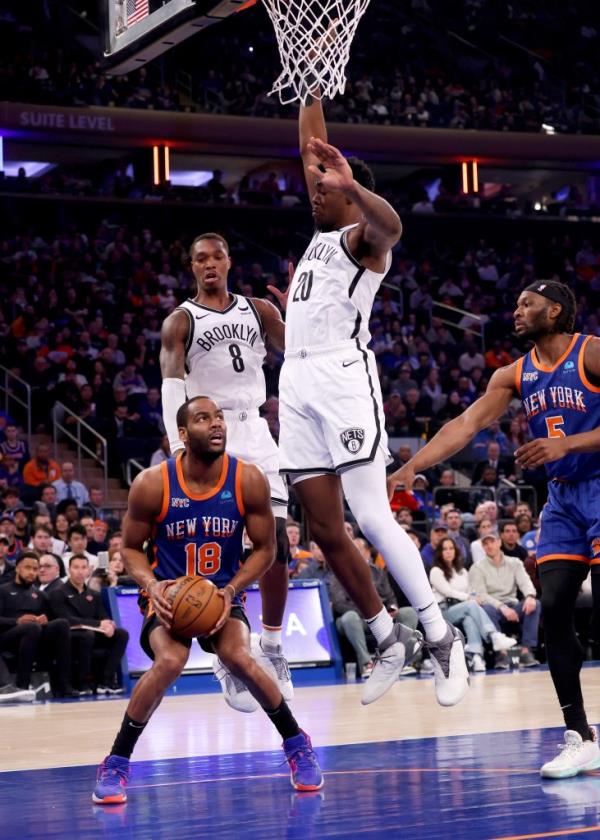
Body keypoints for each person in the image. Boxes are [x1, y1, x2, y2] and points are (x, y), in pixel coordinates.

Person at [266, 87, 468, 708]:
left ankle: (440, 633)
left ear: (348, 195)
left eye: (323, 188)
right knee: (324, 529)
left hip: (343, 380)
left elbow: (394, 225)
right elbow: (310, 151)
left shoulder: (362, 238)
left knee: (371, 514)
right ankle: (387, 636)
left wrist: (350, 185)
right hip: (295, 381)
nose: (313, 191)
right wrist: (306, 87)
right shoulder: (322, 233)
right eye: (318, 184)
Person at [388, 280, 600, 777]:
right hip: (564, 501)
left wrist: (567, 445)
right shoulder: (513, 374)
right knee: (552, 610)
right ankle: (580, 735)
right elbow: (465, 424)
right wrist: (410, 466)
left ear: (556, 310)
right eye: (516, 302)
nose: (516, 310)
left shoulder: (590, 353)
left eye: (527, 303)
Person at [92, 396, 322, 804]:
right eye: (203, 418)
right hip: (168, 595)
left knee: (240, 657)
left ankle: (296, 743)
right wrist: (152, 586)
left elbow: (267, 550)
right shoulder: (153, 483)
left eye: (219, 417)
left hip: (221, 593)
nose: (216, 424)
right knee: (169, 662)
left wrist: (232, 590)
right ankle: (116, 761)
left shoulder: (248, 479)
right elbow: (128, 548)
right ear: (182, 433)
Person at [160, 232, 293, 708]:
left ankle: (273, 646)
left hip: (257, 431)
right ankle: (224, 650)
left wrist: (296, 308)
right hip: (211, 434)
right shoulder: (181, 320)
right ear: (192, 267)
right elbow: (171, 380)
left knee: (276, 545)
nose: (209, 264)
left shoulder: (258, 310)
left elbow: (299, 352)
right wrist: (181, 443)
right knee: (223, 548)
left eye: (217, 256)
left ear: (230, 261)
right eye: (200, 258)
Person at [429, 537, 517, 673]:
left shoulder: (462, 571)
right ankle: (494, 635)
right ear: (440, 552)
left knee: (469, 618)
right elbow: (447, 592)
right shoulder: (436, 571)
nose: (448, 552)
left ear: (456, 551)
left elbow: (470, 590)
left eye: (451, 548)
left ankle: (476, 657)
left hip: (463, 608)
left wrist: (474, 596)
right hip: (444, 611)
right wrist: (469, 598)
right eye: (444, 549)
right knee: (471, 605)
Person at [49, 554, 129, 695]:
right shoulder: (58, 593)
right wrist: (99, 623)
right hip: (69, 635)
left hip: (91, 632)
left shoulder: (94, 595)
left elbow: (103, 616)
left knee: (121, 634)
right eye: (76, 567)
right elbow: (66, 618)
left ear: (89, 571)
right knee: (87, 635)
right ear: (69, 570)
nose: (80, 571)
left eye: (83, 567)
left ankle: (106, 681)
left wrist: (109, 624)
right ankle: (81, 683)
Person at [0, 551, 75, 698]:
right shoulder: (3, 590)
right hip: (6, 636)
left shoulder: (40, 595)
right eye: (27, 568)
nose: (32, 572)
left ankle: (64, 684)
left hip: (34, 637)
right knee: (31, 627)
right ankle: (22, 684)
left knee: (61, 624)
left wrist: (46, 619)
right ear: (17, 568)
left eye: (35, 569)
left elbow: (50, 617)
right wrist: (16, 621)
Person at [468, 533, 541, 669]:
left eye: (492, 542)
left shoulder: (515, 562)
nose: (489, 546)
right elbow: (481, 595)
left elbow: (525, 582)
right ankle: (501, 654)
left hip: (513, 606)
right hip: (493, 608)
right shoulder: (477, 567)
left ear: (499, 543)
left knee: (535, 604)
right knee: (485, 608)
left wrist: (530, 596)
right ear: (483, 547)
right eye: (485, 544)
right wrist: (501, 606)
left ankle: (526, 651)